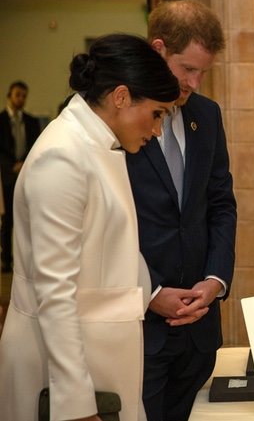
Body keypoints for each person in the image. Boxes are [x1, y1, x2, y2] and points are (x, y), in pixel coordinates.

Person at [0, 33, 179, 421]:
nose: (158, 129)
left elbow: (110, 246)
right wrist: (76, 406)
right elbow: (55, 290)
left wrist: (153, 293)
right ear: (120, 97)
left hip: (102, 353)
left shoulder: (98, 145)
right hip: (63, 369)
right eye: (157, 113)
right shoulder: (63, 158)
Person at [125, 0, 237, 421]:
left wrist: (215, 279)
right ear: (157, 50)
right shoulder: (120, 117)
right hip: (139, 329)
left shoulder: (207, 116)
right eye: (187, 68)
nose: (194, 81)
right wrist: (150, 292)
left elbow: (221, 205)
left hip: (199, 331)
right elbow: (109, 225)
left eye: (203, 71)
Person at [0, 80, 41, 272]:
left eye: (24, 96)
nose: (21, 99)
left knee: (28, 217)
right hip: (6, 175)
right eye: (18, 95)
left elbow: (36, 145)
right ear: (10, 95)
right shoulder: (0, 120)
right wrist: (11, 166)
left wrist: (24, 163)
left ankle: (27, 261)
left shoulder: (32, 121)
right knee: (7, 220)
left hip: (27, 172)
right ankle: (6, 260)